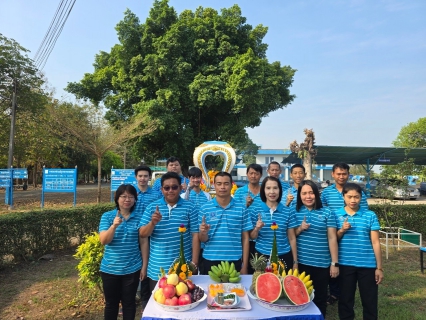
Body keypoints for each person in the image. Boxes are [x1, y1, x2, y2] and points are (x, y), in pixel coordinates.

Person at [138, 172, 199, 291]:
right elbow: (142, 234)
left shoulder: (190, 207)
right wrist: (152, 223)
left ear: (181, 188)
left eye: (174, 187)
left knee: (183, 304)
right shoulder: (152, 207)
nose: (170, 190)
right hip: (157, 269)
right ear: (161, 189)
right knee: (159, 305)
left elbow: (195, 235)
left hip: (182, 269)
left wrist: (194, 263)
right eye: (167, 188)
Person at [320, 162, 368, 305]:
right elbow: (322, 212)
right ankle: (334, 292)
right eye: (338, 174)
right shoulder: (326, 193)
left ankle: (343, 292)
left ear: (348, 174)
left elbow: (364, 212)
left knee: (345, 264)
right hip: (332, 233)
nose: (341, 176)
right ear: (333, 174)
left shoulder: (358, 192)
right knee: (333, 261)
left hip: (351, 235)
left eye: (344, 173)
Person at [336, 183, 383, 320]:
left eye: (356, 197)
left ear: (361, 197)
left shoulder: (370, 215)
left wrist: (379, 267)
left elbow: (375, 242)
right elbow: (333, 239)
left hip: (367, 265)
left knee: (369, 301)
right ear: (343, 196)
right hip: (345, 264)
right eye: (349, 196)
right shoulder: (336, 215)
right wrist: (342, 230)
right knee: (345, 300)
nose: (353, 200)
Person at [293, 180, 339, 317]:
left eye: (311, 193)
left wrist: (334, 263)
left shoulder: (327, 212)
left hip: (322, 264)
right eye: (304, 193)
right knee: (299, 298)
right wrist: (300, 228)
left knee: (320, 299)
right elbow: (290, 237)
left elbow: (332, 238)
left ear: (316, 194)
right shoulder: (294, 211)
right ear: (299, 195)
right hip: (300, 263)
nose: (308, 196)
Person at [99, 184, 144, 320]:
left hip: (132, 269)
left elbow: (143, 243)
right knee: (111, 304)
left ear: (135, 199)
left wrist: (144, 266)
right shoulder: (107, 216)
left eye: (131, 196)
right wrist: (114, 226)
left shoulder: (139, 217)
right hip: (110, 269)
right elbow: (103, 240)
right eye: (123, 196)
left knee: (129, 303)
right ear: (117, 198)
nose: (127, 199)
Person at [199, 172, 252, 275]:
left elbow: (245, 238)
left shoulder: (241, 208)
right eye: (219, 184)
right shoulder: (205, 208)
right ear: (214, 185)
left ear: (231, 185)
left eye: (226, 183)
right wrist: (204, 232)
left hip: (234, 260)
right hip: (210, 260)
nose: (222, 187)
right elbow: (202, 239)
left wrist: (245, 265)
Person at [248, 176, 298, 272]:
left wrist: (295, 262)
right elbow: (252, 237)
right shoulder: (255, 210)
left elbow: (292, 238)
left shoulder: (288, 211)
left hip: (283, 255)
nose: (272, 192)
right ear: (263, 190)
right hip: (261, 256)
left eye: (275, 188)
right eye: (268, 188)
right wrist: (257, 229)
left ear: (280, 190)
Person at [132, 165, 162, 308]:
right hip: (132, 235)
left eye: (145, 176)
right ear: (136, 177)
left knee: (146, 264)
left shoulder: (156, 195)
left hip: (148, 234)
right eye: (140, 176)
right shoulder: (130, 193)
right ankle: (129, 299)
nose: (143, 178)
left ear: (149, 178)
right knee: (132, 266)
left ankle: (145, 298)